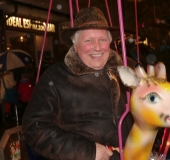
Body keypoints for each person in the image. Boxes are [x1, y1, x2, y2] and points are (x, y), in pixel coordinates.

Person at [22, 7, 133, 160]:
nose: (98, 47)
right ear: (75, 46)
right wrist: (88, 152)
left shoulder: (125, 72)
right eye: (89, 40)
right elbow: (34, 128)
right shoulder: (55, 78)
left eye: (102, 39)